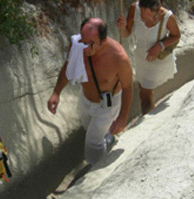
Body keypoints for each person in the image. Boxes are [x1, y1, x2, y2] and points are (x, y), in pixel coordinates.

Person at [47, 18, 133, 166]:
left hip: (107, 105)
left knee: (92, 141)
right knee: (89, 129)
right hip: (85, 99)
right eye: (83, 40)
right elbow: (69, 67)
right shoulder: (77, 45)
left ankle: (95, 168)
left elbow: (128, 87)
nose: (84, 47)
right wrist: (56, 93)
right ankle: (107, 138)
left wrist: (122, 117)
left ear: (102, 40)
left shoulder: (119, 58)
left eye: (90, 43)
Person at [116, 0, 181, 114]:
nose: (144, 18)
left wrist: (160, 46)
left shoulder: (167, 17)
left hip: (158, 59)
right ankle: (150, 110)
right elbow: (127, 33)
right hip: (142, 58)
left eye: (149, 15)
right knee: (144, 89)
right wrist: (123, 27)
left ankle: (146, 116)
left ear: (158, 9)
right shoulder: (133, 8)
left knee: (144, 93)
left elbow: (176, 35)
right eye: (141, 13)